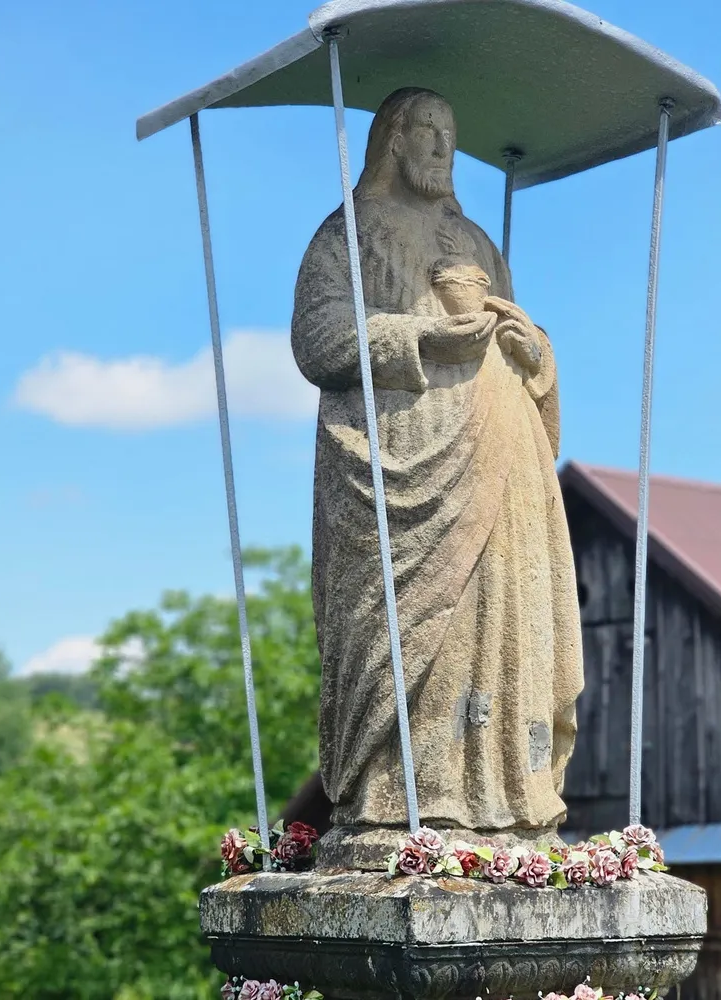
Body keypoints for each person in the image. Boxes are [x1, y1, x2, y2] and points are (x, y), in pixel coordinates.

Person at [291, 87, 583, 848]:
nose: (440, 146)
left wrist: (533, 350)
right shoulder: (350, 233)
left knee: (503, 619)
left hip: (501, 452)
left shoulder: (476, 243)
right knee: (412, 630)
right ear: (391, 139)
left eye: (450, 134)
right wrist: (421, 338)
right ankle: (405, 800)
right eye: (425, 130)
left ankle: (508, 795)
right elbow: (318, 338)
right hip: (400, 459)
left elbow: (526, 345)